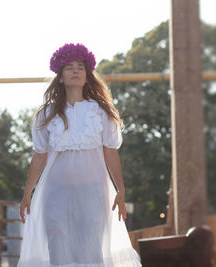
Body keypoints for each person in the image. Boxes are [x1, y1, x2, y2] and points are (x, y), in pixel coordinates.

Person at [17, 43, 141, 266]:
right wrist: (27, 192)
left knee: (91, 252)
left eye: (80, 67)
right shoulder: (46, 114)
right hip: (55, 194)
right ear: (61, 77)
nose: (75, 71)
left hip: (94, 194)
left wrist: (121, 190)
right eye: (69, 67)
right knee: (58, 250)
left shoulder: (102, 112)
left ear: (87, 76)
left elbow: (110, 152)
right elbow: (39, 156)